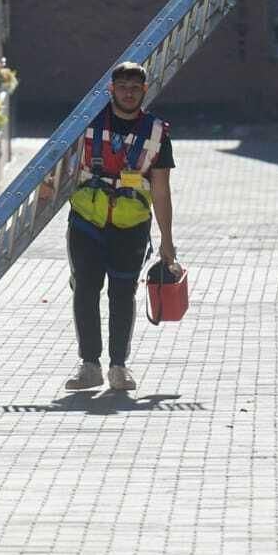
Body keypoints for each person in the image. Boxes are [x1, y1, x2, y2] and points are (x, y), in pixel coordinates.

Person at [56, 62, 176, 392]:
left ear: (144, 91)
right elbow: (59, 160)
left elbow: (162, 189)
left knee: (123, 294)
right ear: (111, 90)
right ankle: (89, 365)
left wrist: (167, 240)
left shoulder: (156, 133)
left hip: (131, 224)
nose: (127, 92)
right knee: (85, 289)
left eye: (134, 88)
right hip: (87, 220)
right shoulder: (88, 122)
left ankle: (119, 366)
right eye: (122, 86)